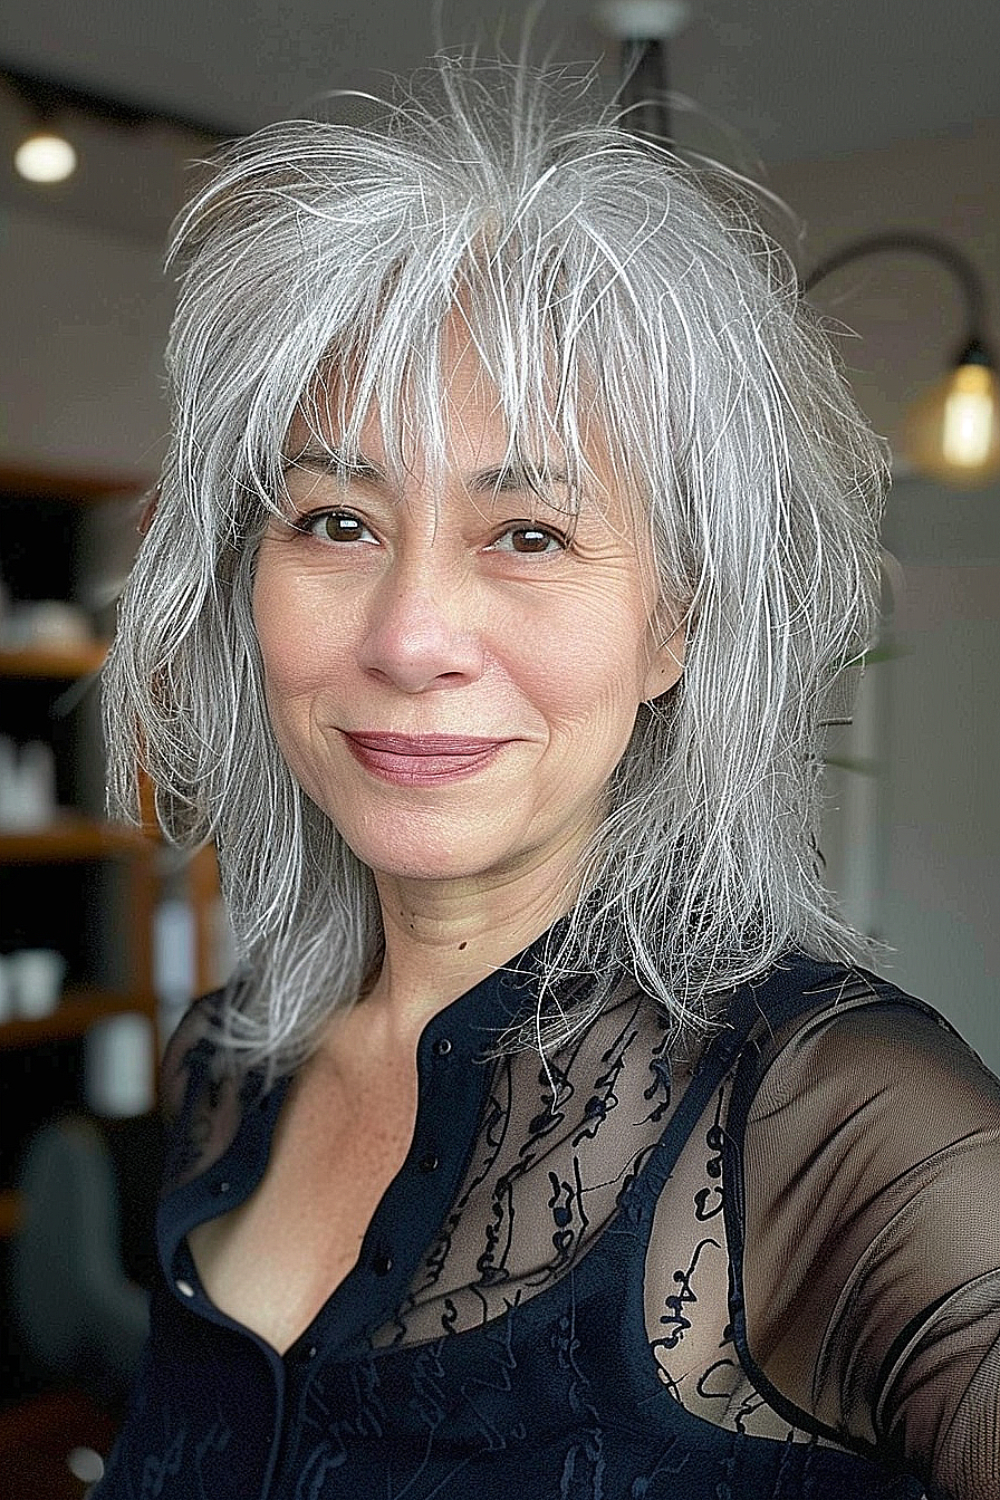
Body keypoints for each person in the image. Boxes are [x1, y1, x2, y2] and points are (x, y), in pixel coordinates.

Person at [96, 57, 999, 1500]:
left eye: (527, 534)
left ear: (677, 624)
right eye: (334, 519)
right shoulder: (233, 1061)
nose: (407, 638)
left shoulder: (844, 1126)